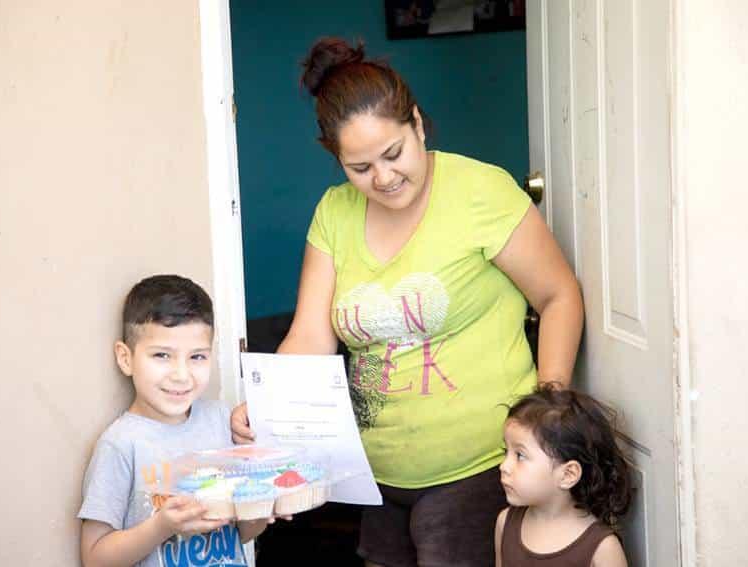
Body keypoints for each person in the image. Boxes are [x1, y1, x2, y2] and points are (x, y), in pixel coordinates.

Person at [232, 37, 584, 566]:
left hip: (482, 464)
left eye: (393, 153)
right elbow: (309, 336)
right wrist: (270, 410)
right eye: (360, 167)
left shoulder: (480, 193)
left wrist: (548, 416)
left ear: (416, 124)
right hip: (377, 477)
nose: (384, 177)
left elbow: (559, 295)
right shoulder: (334, 214)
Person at [78, 275, 269, 567]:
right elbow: (95, 558)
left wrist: (258, 511)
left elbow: (241, 534)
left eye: (197, 357)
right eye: (162, 355)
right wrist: (162, 526)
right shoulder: (120, 445)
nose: (181, 374)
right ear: (125, 358)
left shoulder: (219, 419)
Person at [496, 385, 632, 566]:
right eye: (507, 451)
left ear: (568, 475)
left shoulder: (602, 548)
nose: (503, 466)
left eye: (520, 455)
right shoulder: (505, 523)